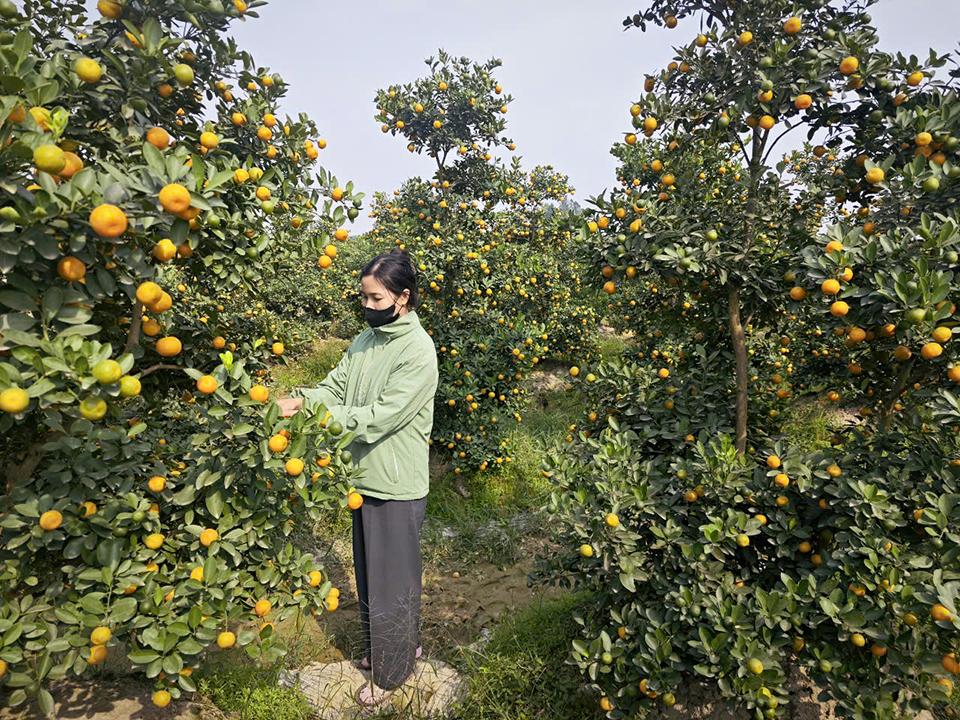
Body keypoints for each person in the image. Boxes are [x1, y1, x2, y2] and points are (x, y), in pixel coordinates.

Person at [277, 248, 439, 710]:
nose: (367, 307)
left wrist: (321, 415)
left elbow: (379, 418)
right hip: (361, 478)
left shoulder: (417, 351)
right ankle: (393, 650)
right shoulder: (365, 342)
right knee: (373, 577)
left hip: (395, 482)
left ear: (402, 298)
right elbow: (335, 386)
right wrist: (303, 399)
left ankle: (392, 677)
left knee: (393, 581)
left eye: (375, 298)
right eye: (363, 298)